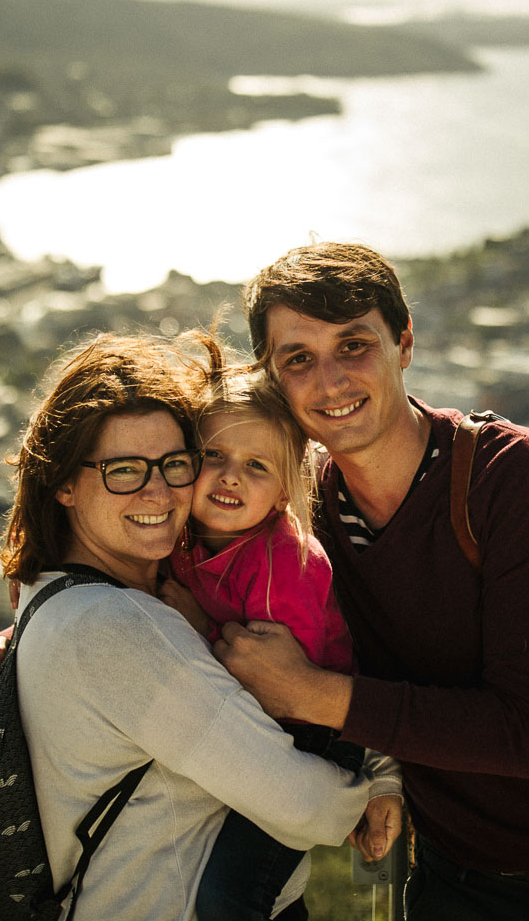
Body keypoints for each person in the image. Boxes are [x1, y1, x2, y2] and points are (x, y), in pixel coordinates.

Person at [0, 245, 529, 919]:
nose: (331, 379)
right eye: (297, 358)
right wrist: (12, 651)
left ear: (405, 342)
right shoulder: (299, 504)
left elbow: (526, 733)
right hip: (455, 882)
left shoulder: (510, 480)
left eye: (354, 345)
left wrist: (309, 694)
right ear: (273, 379)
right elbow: (148, 588)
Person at [0, 332, 398, 921]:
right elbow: (308, 804)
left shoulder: (56, 599)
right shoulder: (124, 629)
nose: (158, 490)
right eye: (124, 469)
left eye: (174, 463)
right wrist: (378, 788)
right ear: (65, 484)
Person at [162, 361, 393, 920]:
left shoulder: (284, 562)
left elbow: (280, 685)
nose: (230, 476)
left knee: (229, 898)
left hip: (312, 738)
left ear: (288, 487)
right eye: (214, 455)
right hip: (249, 734)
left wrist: (198, 625)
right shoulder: (176, 536)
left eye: (256, 465)